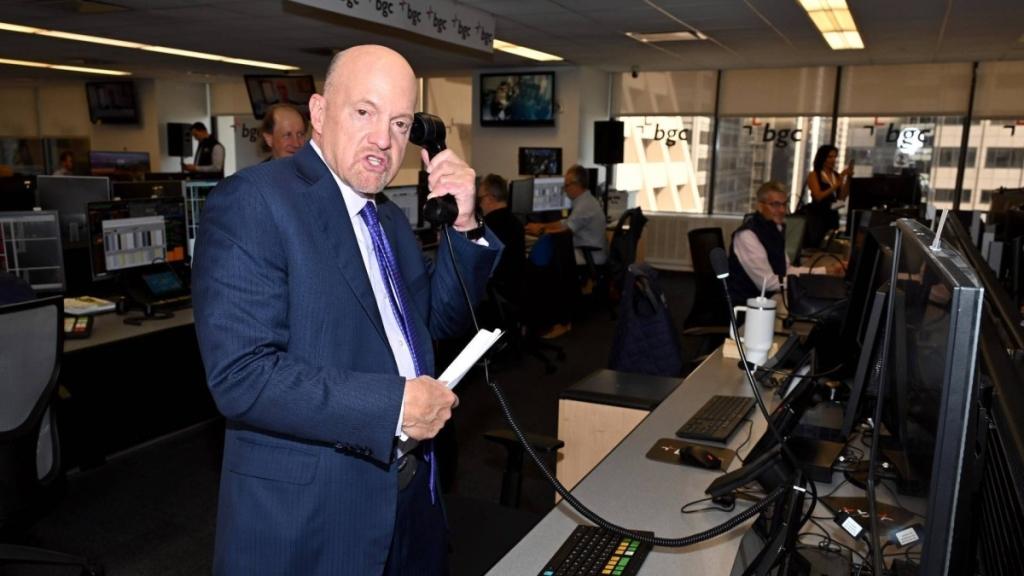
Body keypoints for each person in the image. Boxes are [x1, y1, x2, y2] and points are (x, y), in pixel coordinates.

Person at [192, 45, 501, 575]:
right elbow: (242, 377)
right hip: (316, 515)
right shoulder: (254, 201)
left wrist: (464, 224)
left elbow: (438, 323)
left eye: (400, 124)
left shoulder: (388, 218)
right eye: (364, 112)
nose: (384, 139)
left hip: (411, 500)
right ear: (319, 112)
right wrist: (394, 406)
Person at [728, 181, 838, 305]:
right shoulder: (747, 235)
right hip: (746, 307)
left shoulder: (775, 229)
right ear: (759, 206)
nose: (782, 210)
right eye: (775, 204)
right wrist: (808, 281)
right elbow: (766, 283)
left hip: (768, 300)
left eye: (784, 204)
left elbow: (786, 270)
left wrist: (826, 271)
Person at [525, 164, 608, 267]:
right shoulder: (585, 200)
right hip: (584, 251)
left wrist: (540, 231)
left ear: (576, 185)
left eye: (566, 186)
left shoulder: (584, 206)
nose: (565, 190)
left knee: (547, 260)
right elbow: (564, 223)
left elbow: (565, 232)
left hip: (589, 256)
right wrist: (541, 225)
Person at [477, 173, 525, 306]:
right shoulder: (516, 222)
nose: (479, 204)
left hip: (497, 295)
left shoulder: (487, 227)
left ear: (489, 198)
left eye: (480, 199)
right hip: (515, 291)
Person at [803, 144, 851, 249]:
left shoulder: (836, 175)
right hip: (817, 217)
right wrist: (835, 185)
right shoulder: (814, 175)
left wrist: (847, 179)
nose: (833, 160)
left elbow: (842, 198)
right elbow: (818, 196)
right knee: (816, 245)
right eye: (830, 157)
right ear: (822, 158)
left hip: (832, 215)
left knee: (830, 246)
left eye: (835, 157)